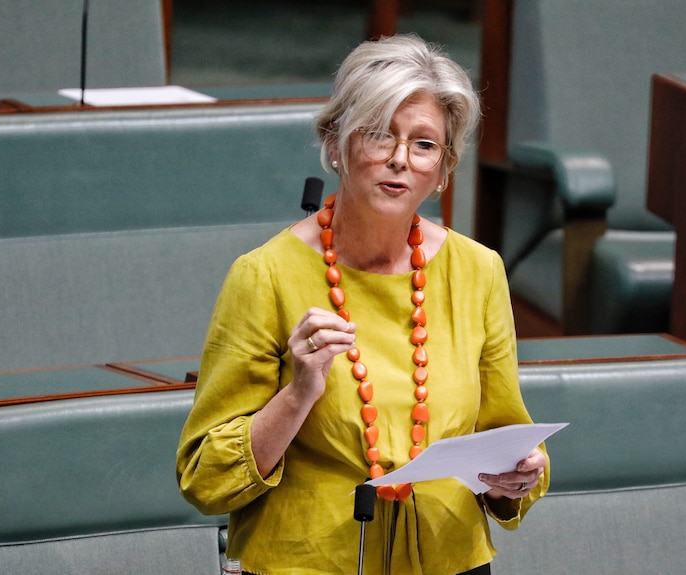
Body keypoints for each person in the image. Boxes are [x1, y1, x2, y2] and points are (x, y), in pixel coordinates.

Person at [176, 34, 550, 575]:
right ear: (336, 143)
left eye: (424, 144)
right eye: (378, 135)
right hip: (309, 561)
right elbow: (205, 478)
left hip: (450, 558)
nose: (399, 159)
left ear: (443, 169)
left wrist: (520, 474)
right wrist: (300, 390)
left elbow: (506, 432)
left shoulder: (478, 271)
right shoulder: (264, 276)